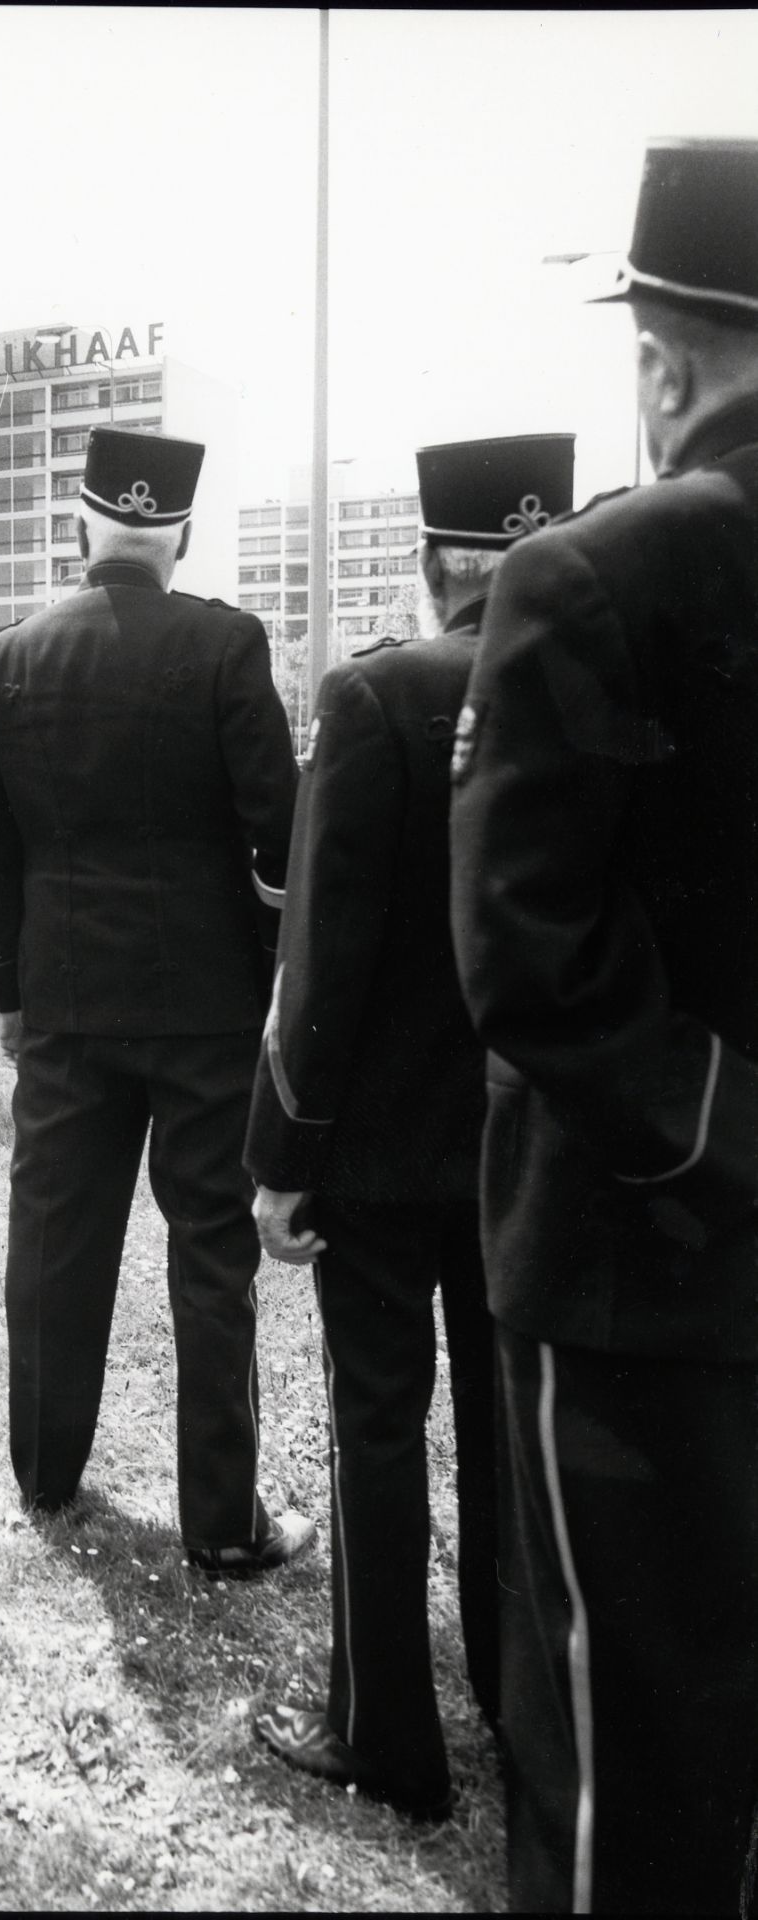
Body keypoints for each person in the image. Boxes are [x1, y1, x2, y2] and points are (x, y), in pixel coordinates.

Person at [450, 137, 758, 1913]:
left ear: (660, 359)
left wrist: (723, 1135)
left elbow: (521, 955)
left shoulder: (588, 576)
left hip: (637, 1270)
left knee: (613, 1766)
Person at [245, 433, 576, 1820]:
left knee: (380, 1429)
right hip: (531, 1150)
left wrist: (283, 1157)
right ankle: (514, 1705)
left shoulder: (377, 697)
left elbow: (321, 966)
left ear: (436, 561)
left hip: (381, 1154)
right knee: (508, 1431)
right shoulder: (589, 687)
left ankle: (389, 1734)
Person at [0, 425, 311, 1573]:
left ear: (81, 526)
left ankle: (46, 1477)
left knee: (55, 1242)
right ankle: (222, 1523)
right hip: (206, 1007)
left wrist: (10, 991)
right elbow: (281, 830)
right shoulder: (225, 643)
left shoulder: (6, 658)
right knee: (211, 1253)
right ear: (183, 535)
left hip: (61, 1002)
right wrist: (264, 964)